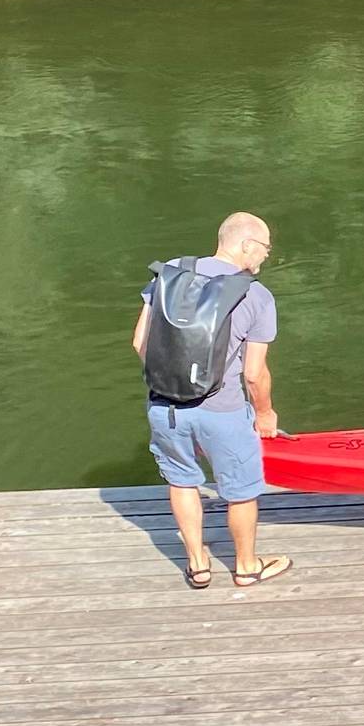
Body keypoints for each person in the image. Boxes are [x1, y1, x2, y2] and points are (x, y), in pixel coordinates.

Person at [133, 212, 290, 588]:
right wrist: (265, 413)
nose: (266, 256)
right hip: (223, 409)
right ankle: (247, 566)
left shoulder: (171, 271)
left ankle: (198, 564)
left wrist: (172, 383)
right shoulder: (256, 295)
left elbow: (140, 341)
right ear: (246, 244)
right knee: (240, 491)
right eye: (265, 248)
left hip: (165, 406)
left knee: (183, 482)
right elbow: (254, 373)